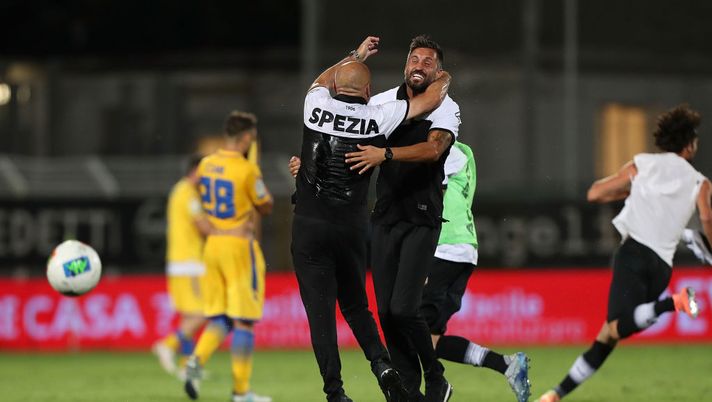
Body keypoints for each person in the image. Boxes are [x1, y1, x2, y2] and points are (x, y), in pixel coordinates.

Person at [292, 35, 451, 402]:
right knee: (356, 306)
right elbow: (430, 100)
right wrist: (443, 76)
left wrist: (356, 55)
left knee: (321, 315)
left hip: (309, 227)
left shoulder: (313, 104)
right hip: (350, 228)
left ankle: (336, 393)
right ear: (367, 90)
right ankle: (382, 364)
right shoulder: (375, 117)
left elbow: (321, 81)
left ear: (336, 87)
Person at [537, 104, 712, 402]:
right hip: (662, 266)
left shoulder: (643, 164)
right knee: (610, 334)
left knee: (618, 325)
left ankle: (674, 303)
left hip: (633, 253)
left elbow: (595, 193)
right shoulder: (700, 182)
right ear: (689, 143)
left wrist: (634, 188)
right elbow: (707, 219)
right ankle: (556, 394)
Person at [341, 34, 459, 402]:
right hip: (385, 218)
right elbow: (343, 128)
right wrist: (308, 164)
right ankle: (408, 393)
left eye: (428, 61)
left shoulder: (445, 106)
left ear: (437, 71)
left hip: (422, 218)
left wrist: (386, 154)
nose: (419, 65)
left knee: (405, 308)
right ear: (405, 65)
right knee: (387, 315)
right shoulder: (381, 103)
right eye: (415, 59)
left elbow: (433, 148)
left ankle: (436, 377)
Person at [420, 140, 531, 402]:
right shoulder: (465, 150)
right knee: (430, 338)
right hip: (464, 247)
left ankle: (437, 390)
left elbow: (431, 198)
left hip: (442, 246)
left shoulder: (438, 150)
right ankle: (506, 364)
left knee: (409, 328)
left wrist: (421, 258)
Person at [183, 111, 274, 402]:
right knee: (244, 321)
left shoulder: (207, 163)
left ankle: (195, 360)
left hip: (212, 246)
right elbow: (266, 206)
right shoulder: (246, 170)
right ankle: (240, 393)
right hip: (238, 247)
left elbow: (195, 191)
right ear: (247, 138)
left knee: (220, 319)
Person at [153, 154, 212, 379]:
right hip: (189, 263)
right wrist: (227, 231)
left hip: (183, 262)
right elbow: (202, 226)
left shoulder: (181, 191)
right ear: (195, 170)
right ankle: (167, 346)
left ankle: (189, 366)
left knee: (190, 317)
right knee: (203, 313)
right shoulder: (188, 193)